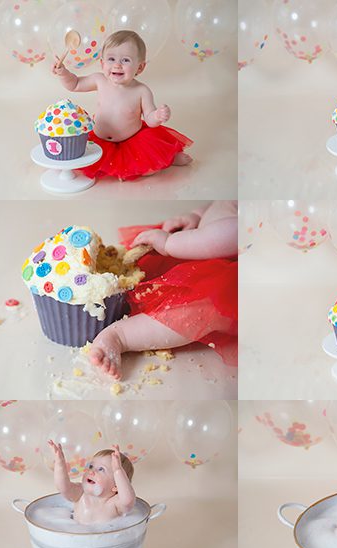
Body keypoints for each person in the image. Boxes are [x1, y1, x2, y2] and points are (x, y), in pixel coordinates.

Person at [88, 201, 237, 379]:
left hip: (232, 279)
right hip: (200, 244)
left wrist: (169, 243)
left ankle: (121, 336)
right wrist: (197, 215)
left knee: (200, 309)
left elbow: (233, 234)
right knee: (148, 267)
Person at [51, 29, 192, 180]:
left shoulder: (141, 91)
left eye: (125, 60)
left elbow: (150, 120)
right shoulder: (99, 80)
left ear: (140, 67)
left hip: (132, 140)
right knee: (81, 158)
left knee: (149, 161)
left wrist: (157, 116)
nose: (117, 65)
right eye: (111, 59)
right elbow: (75, 84)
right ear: (102, 63)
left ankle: (169, 159)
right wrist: (64, 73)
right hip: (100, 139)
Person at [48, 441, 136, 525]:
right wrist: (59, 463)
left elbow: (128, 501)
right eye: (91, 466)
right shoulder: (80, 493)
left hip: (108, 539)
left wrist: (118, 470)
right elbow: (63, 487)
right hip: (75, 536)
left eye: (101, 469)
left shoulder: (114, 504)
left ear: (116, 486)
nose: (91, 471)